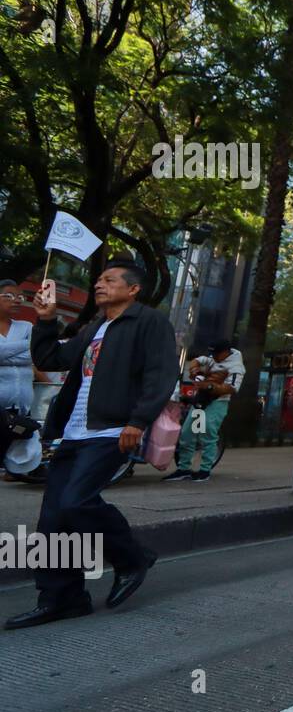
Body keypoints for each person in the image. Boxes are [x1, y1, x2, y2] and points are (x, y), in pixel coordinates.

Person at [6, 260, 175, 630]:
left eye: (109, 280)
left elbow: (161, 372)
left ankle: (131, 557)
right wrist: (47, 320)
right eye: (98, 279)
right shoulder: (95, 326)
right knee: (52, 520)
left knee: (76, 501)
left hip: (112, 430)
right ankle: (62, 598)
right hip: (75, 432)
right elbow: (52, 359)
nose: (99, 284)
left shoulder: (149, 322)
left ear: (133, 289)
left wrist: (138, 420)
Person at [165, 339, 244, 483]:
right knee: (188, 434)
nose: (212, 356)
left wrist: (208, 386)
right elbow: (198, 360)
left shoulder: (236, 367)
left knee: (207, 433)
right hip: (202, 401)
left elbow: (232, 388)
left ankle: (204, 470)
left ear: (225, 352)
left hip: (217, 402)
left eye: (216, 354)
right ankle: (184, 469)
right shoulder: (212, 357)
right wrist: (194, 369)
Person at [0, 279, 44, 416]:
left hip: (23, 410)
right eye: (9, 296)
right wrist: (27, 345)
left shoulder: (26, 326)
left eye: (20, 297)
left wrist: (3, 354)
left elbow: (35, 355)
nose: (17, 300)